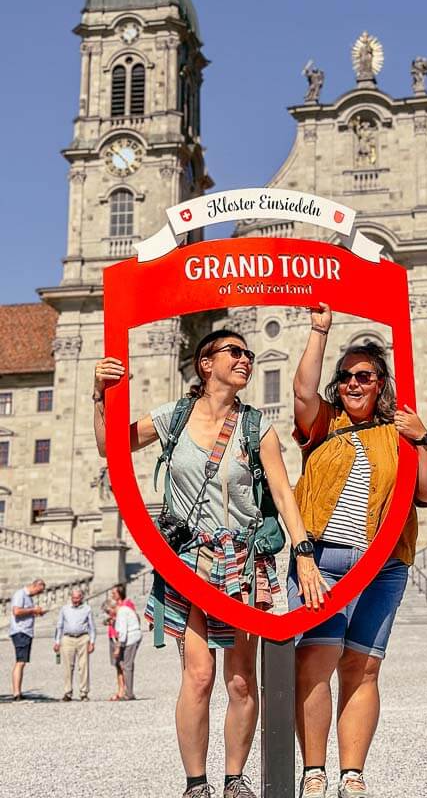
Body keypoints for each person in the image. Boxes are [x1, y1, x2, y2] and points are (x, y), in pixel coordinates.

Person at [94, 328, 328, 798]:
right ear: (206, 363)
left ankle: (234, 778)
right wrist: (100, 396)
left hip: (242, 561)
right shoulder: (173, 417)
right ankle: (195, 784)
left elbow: (283, 493)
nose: (246, 359)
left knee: (241, 681)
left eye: (249, 354)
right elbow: (110, 448)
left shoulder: (256, 426)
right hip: (186, 559)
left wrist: (303, 555)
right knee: (197, 676)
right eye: (235, 352)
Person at [290, 303, 427, 798]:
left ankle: (351, 773)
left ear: (381, 383)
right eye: (345, 377)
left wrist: (422, 439)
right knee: (317, 657)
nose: (353, 384)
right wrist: (319, 331)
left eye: (365, 375)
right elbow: (300, 392)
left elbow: (426, 492)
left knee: (363, 666)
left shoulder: (399, 432)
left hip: (383, 566)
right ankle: (314, 771)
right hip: (324, 562)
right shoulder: (324, 426)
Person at [53, 587, 96, 701]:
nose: (75, 600)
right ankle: (67, 692)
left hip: (83, 638)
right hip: (67, 638)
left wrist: (92, 642)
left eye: (77, 598)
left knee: (84, 666)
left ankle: (84, 692)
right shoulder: (65, 609)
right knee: (68, 666)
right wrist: (57, 641)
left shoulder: (87, 609)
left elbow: (92, 626)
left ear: (81, 597)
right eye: (73, 598)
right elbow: (59, 625)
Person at [9, 578, 47, 701]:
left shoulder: (29, 598)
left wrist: (36, 613)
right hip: (20, 631)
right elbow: (16, 611)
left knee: (22, 662)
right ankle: (16, 693)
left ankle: (18, 691)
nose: (39, 594)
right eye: (39, 591)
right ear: (35, 585)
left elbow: (24, 612)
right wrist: (33, 610)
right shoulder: (21, 594)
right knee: (20, 662)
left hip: (26, 632)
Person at [112, 583, 142, 700]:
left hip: (131, 637)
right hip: (129, 637)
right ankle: (126, 691)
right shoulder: (122, 610)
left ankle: (129, 693)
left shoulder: (123, 611)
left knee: (127, 665)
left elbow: (123, 631)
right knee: (125, 665)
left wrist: (118, 647)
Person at [101, 589, 126, 700]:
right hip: (112, 636)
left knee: (123, 665)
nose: (112, 595)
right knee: (117, 665)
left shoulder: (123, 607)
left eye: (114, 593)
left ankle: (125, 690)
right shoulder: (114, 610)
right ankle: (120, 689)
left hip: (121, 638)